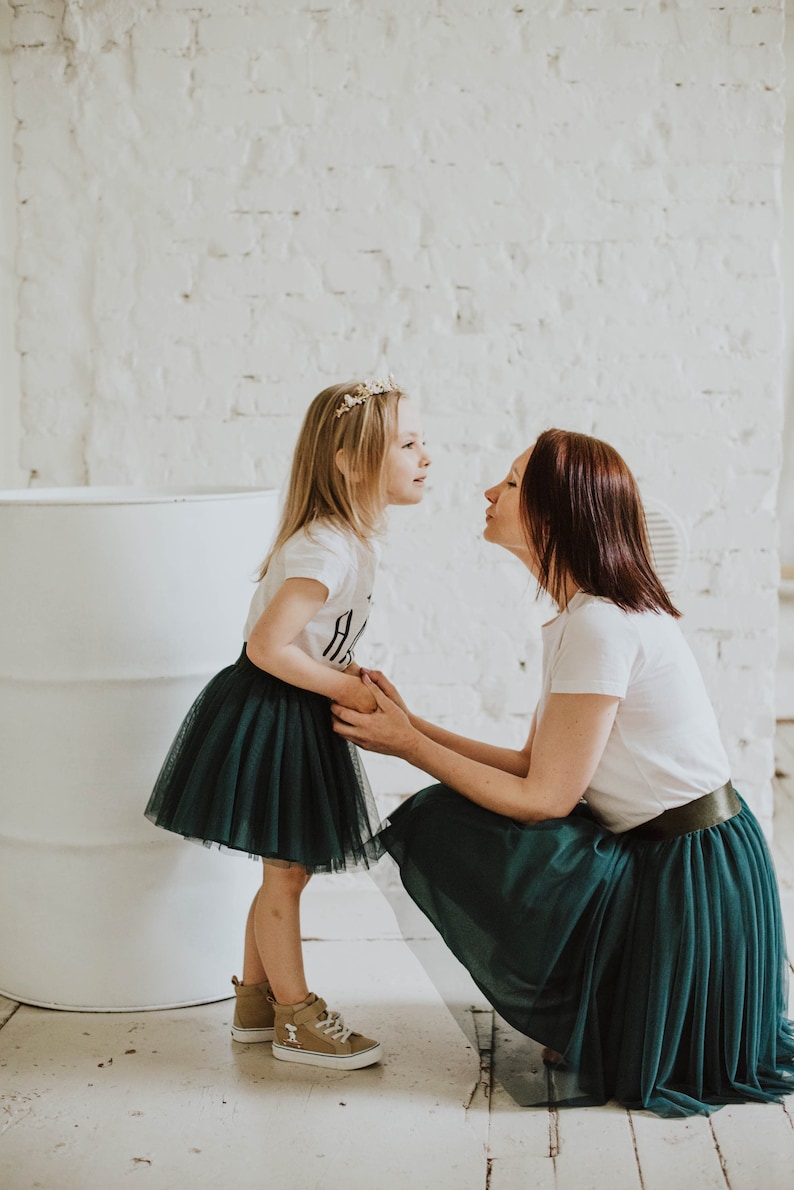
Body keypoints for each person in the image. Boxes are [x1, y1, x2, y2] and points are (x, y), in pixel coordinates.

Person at [332, 428, 794, 1116]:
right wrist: (414, 724)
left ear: (555, 513)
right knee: (455, 811)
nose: (490, 492)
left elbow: (545, 799)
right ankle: (595, 1011)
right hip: (677, 854)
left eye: (512, 484)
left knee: (443, 821)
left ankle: (591, 1013)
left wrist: (409, 748)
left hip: (689, 874)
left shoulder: (601, 625)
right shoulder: (582, 616)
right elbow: (531, 765)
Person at [145, 377, 431, 1070]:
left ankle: (255, 1002)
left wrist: (349, 670)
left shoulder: (349, 542)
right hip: (270, 711)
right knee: (286, 871)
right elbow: (267, 648)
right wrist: (343, 687)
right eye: (410, 443)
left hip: (292, 706)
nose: (427, 455)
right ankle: (295, 1019)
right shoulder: (325, 549)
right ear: (352, 462)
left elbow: (305, 641)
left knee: (284, 869)